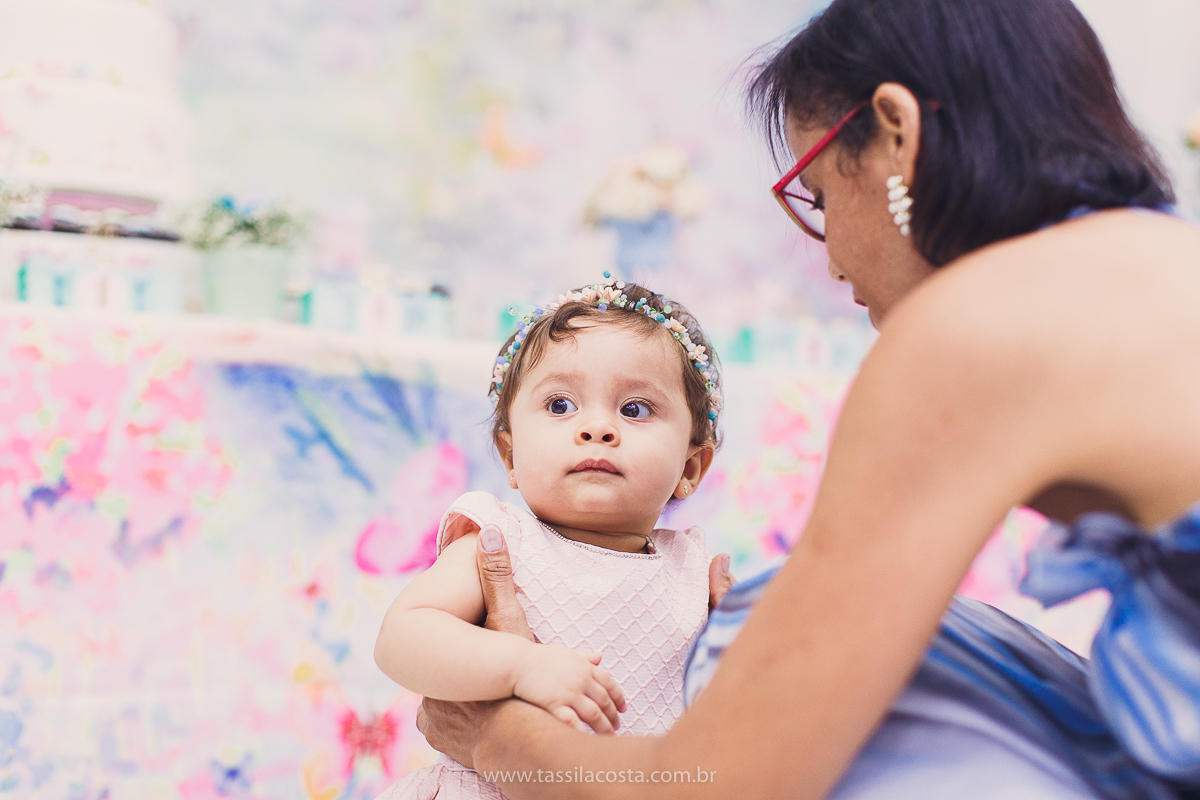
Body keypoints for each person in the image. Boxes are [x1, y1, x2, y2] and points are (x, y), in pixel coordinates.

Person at [408, 0, 1200, 798]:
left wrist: (499, 737)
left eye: (816, 193)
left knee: (754, 620)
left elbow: (728, 787)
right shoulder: (1160, 258)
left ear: (896, 133)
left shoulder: (978, 327)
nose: (828, 262)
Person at [374, 279, 732, 799]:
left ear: (691, 467)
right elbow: (400, 640)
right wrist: (521, 667)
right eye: (561, 405)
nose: (597, 428)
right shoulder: (500, 541)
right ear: (509, 455)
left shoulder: (694, 574)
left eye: (634, 410)